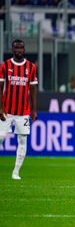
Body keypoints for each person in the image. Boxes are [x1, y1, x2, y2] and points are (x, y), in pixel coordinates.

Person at [0, 39, 38, 180]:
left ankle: (16, 172)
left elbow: (33, 89)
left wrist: (34, 110)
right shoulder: (4, 66)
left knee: (22, 140)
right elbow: (0, 87)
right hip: (7, 110)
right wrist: (0, 107)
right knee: (1, 137)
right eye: (16, 48)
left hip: (23, 112)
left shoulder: (31, 67)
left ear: (24, 49)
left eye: (21, 48)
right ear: (12, 49)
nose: (19, 50)